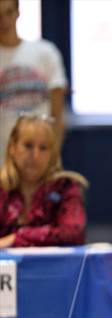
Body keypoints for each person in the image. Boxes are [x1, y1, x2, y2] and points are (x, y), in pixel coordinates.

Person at [0, 114, 87, 248]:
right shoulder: (2, 189)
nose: (35, 156)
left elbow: (74, 234)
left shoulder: (65, 187)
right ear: (12, 147)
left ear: (52, 154)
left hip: (55, 268)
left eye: (43, 148)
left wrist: (17, 238)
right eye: (28, 146)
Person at [0, 0, 67, 161]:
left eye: (8, 12)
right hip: (4, 162)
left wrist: (51, 157)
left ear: (18, 13)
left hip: (42, 161)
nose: (4, 21)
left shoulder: (46, 53)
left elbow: (58, 115)